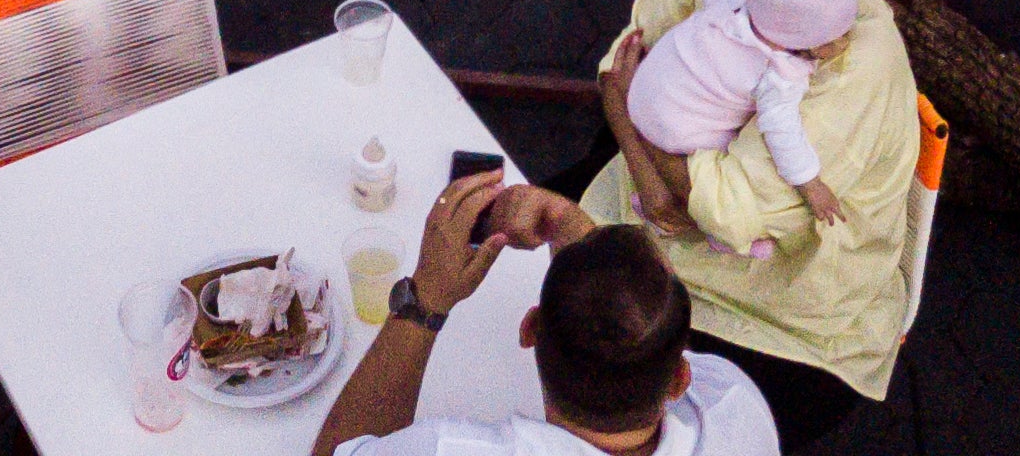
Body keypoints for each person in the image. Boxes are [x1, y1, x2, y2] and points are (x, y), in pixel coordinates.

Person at [580, 0, 924, 444]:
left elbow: (731, 213)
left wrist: (637, 126)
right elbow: (619, 65)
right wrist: (646, 167)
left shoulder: (857, 57)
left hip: (782, 321)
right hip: (656, 228)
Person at [311, 188, 787, 456]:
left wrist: (426, 300)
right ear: (680, 378)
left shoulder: (451, 449)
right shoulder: (734, 405)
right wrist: (565, 220)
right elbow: (634, 313)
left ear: (529, 331)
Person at [623, 0, 864, 238]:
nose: (846, 41)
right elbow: (782, 131)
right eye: (833, 39)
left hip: (648, 84)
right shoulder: (777, 73)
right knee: (722, 165)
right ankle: (709, 231)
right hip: (672, 124)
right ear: (799, 42)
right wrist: (810, 183)